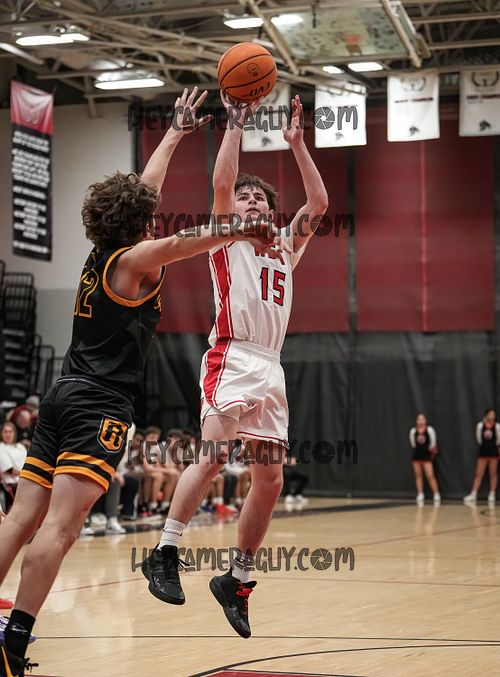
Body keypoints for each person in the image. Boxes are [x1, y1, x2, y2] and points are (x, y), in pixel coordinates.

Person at [0, 86, 274, 677]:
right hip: (97, 405)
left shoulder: (101, 252)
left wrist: (174, 132)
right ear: (140, 222)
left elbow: (144, 191)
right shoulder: (134, 260)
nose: (154, 211)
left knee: (20, 518)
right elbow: (186, 240)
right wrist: (238, 229)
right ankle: (12, 641)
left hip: (61, 394)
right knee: (60, 526)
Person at [142, 92, 328, 639]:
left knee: (269, 479)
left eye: (258, 198)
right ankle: (165, 550)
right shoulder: (225, 236)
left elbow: (318, 203)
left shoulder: (285, 246)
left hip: (272, 366)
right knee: (215, 453)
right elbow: (222, 182)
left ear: (270, 210)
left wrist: (297, 144)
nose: (249, 201)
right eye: (244, 197)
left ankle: (237, 579)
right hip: (232, 352)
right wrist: (235, 124)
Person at [464, 409, 500, 505]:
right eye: (490, 414)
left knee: (493, 474)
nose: (492, 416)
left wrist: (494, 447)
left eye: (493, 414)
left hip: (493, 452)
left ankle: (492, 494)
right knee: (479, 474)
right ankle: (473, 494)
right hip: (483, 452)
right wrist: (485, 445)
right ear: (486, 415)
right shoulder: (480, 426)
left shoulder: (497, 426)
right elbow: (479, 439)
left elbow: (498, 440)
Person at [409, 414, 441, 505]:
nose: (420, 421)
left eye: (422, 419)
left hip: (426, 456)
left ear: (425, 420)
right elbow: (413, 444)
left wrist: (428, 451)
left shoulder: (429, 430)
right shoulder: (413, 431)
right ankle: (420, 494)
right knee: (418, 475)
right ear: (416, 421)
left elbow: (433, 443)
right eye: (419, 419)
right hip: (416, 456)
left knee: (430, 475)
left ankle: (436, 494)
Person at [0, 422, 28, 510]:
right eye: (5, 432)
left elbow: (28, 462)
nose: (8, 434)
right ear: (1, 434)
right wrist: (27, 475)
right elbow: (10, 470)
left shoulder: (20, 446)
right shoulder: (1, 447)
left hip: (26, 481)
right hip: (11, 486)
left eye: (10, 432)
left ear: (14, 433)